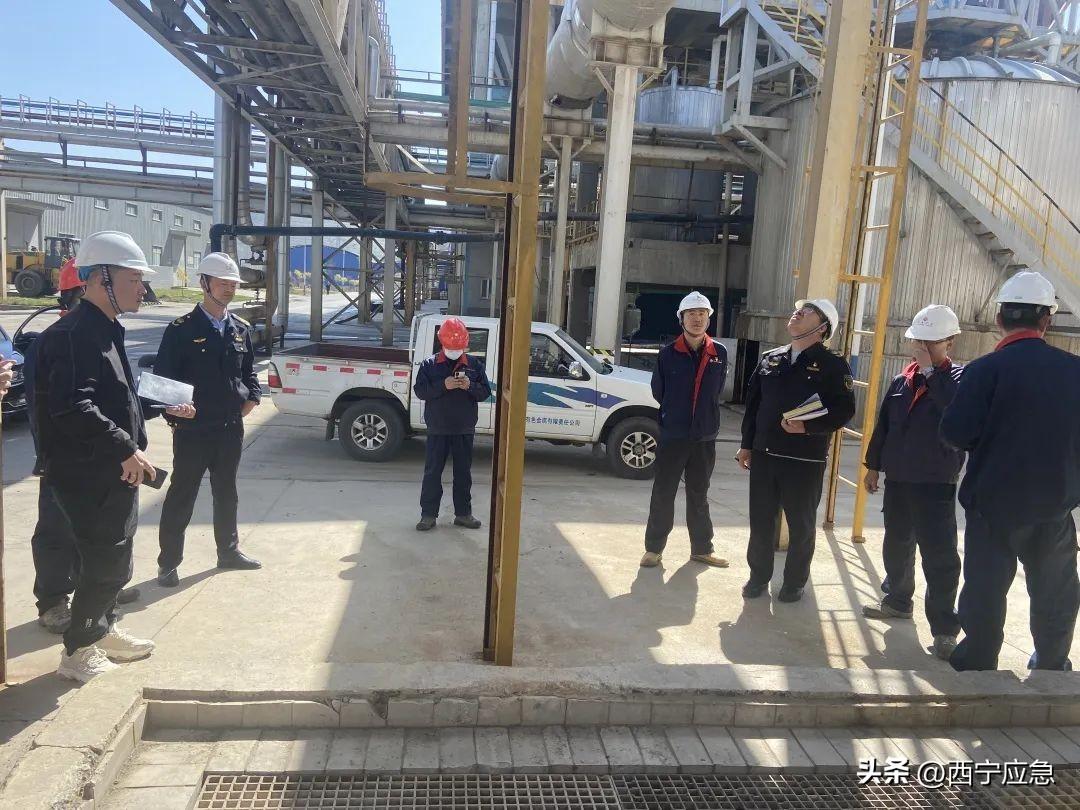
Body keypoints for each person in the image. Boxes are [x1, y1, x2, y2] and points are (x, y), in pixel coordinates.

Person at [33, 231, 195, 682]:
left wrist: (161, 407)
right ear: (99, 279)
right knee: (104, 563)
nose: (142, 289)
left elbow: (115, 401)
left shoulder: (106, 330)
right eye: (133, 280)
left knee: (116, 558)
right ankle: (78, 650)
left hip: (113, 467)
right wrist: (125, 447)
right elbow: (72, 406)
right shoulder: (73, 335)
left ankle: (101, 629)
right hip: (86, 471)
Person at [941, 271, 1080, 672]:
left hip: (993, 505)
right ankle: (1052, 662)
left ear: (1000, 318)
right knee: (1055, 591)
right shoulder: (1075, 371)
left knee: (985, 588)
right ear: (1047, 320)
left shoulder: (984, 370)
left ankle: (979, 661)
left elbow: (955, 433)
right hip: (1054, 505)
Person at [861, 304, 965, 660]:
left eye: (930, 342)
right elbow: (884, 426)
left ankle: (944, 629)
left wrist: (932, 371)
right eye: (918, 341)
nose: (922, 348)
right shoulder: (900, 381)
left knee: (939, 557)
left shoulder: (958, 380)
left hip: (935, 482)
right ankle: (898, 600)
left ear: (949, 342)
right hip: (899, 479)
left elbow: (956, 412)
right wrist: (873, 466)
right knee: (897, 545)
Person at [737, 298, 856, 603]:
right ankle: (758, 577)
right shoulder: (771, 359)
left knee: (801, 525)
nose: (798, 312)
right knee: (761, 522)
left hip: (804, 459)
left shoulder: (833, 365)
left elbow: (844, 411)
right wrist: (747, 444)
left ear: (822, 328)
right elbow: (754, 407)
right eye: (798, 309)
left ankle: (794, 582)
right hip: (765, 455)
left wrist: (807, 427)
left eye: (808, 311)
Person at [154, 253, 262, 587]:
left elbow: (249, 373)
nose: (229, 289)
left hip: (230, 428)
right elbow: (163, 380)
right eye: (222, 283)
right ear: (204, 283)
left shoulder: (240, 329)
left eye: (233, 284)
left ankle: (228, 552)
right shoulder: (181, 330)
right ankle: (168, 563)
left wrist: (252, 398)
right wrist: (173, 409)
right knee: (182, 495)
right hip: (193, 430)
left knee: (227, 492)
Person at [640, 291, 729, 569]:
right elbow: (659, 391)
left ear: (708, 319)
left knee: (699, 494)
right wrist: (675, 416)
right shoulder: (668, 354)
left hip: (704, 437)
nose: (697, 319)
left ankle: (702, 548)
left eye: (702, 314)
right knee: (663, 492)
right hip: (673, 436)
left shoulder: (719, 353)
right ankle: (653, 549)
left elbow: (716, 392)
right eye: (691, 314)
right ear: (682, 319)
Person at [413, 317, 492, 531]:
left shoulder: (474, 365)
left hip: (463, 428)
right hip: (438, 427)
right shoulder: (429, 365)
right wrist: (443, 385)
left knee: (463, 473)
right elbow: (420, 391)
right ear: (442, 343)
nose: (455, 351)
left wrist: (470, 386)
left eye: (459, 348)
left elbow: (485, 392)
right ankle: (428, 515)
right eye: (451, 347)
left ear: (465, 344)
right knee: (432, 473)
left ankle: (463, 514)